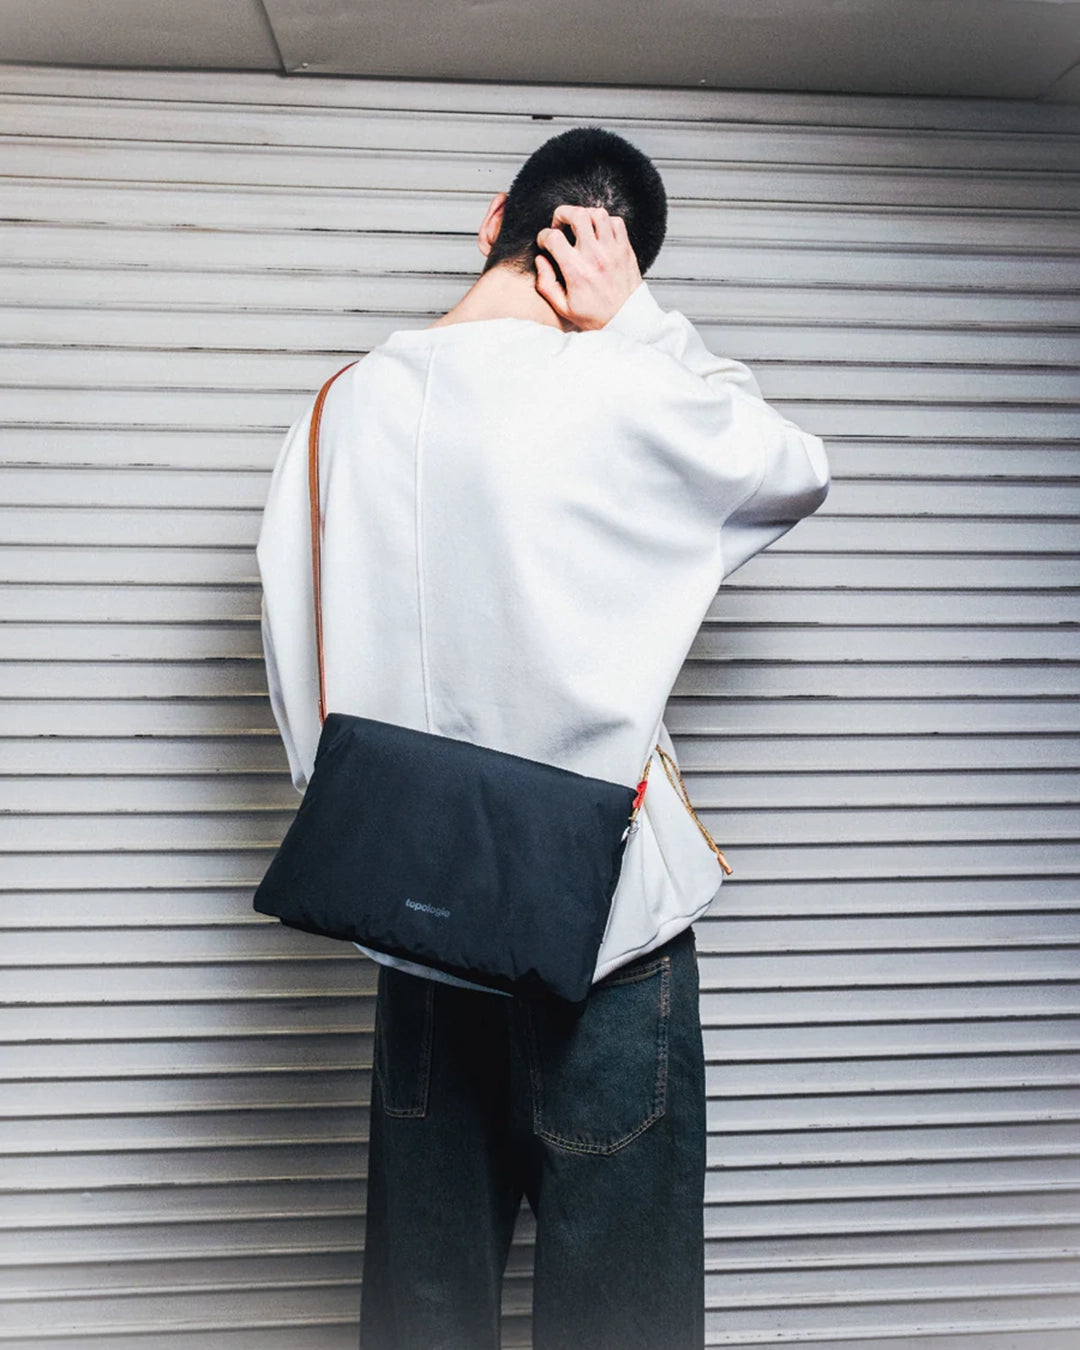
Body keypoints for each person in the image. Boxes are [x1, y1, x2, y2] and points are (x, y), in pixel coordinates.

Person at [256, 127, 829, 1350]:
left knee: (422, 1319)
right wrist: (639, 323)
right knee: (621, 1323)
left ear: (494, 221)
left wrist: (407, 848)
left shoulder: (336, 409)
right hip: (608, 939)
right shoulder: (625, 390)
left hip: (417, 937)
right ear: (608, 259)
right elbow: (794, 470)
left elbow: (295, 671)